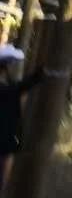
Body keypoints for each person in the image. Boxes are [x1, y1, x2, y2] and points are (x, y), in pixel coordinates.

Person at [0, 46, 47, 187]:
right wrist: (37, 76)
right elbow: (20, 87)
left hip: (6, 137)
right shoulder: (7, 88)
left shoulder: (8, 85)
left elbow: (19, 87)